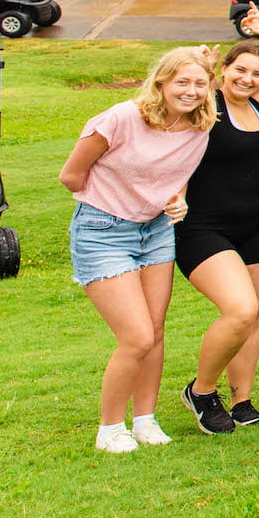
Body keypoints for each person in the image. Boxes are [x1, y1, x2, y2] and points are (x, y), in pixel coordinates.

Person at [62, 48, 215, 452]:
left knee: (156, 331)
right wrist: (116, 200)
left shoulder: (200, 126)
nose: (191, 91)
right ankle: (110, 429)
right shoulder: (121, 118)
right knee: (137, 337)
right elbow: (71, 176)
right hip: (103, 231)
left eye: (200, 83)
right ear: (161, 82)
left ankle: (145, 420)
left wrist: (177, 199)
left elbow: (176, 178)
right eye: (182, 81)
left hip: (157, 231)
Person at [174, 9, 259, 434]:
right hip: (203, 228)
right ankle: (202, 391)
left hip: (256, 227)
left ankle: (242, 401)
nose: (246, 79)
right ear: (222, 70)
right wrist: (200, 70)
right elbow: (176, 85)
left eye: (255, 73)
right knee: (240, 309)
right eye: (238, 70)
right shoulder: (204, 103)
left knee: (252, 316)